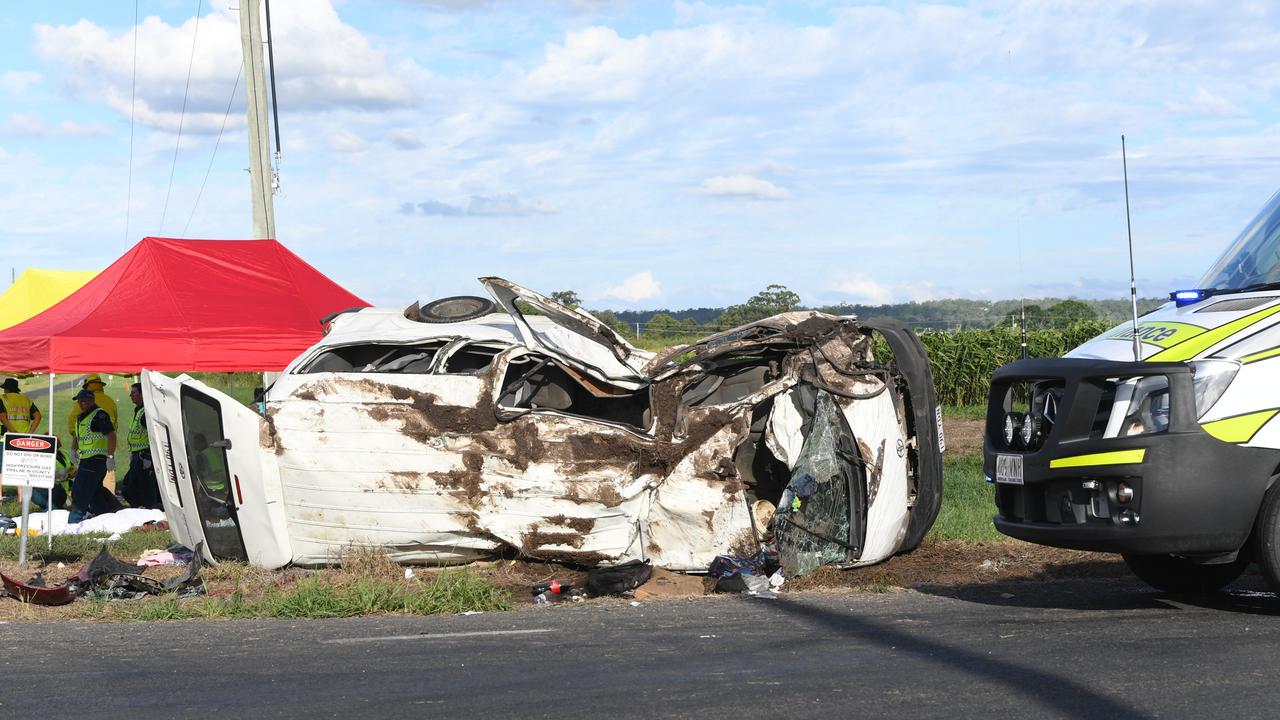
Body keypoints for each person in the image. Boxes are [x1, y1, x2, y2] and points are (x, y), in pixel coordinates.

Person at [68, 388, 116, 523]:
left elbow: (111, 435)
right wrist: (73, 450)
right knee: (95, 492)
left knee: (79, 490)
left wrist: (110, 457)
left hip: (95, 459)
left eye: (83, 401)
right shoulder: (82, 417)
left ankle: (75, 520)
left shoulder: (99, 415)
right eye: (79, 401)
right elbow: (77, 436)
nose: (80, 404)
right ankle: (104, 518)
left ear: (91, 400)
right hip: (86, 459)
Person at [121, 382, 160, 509]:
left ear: (143, 394)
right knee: (132, 484)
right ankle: (141, 508)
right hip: (137, 454)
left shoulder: (145, 413)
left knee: (146, 485)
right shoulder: (139, 411)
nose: (130, 395)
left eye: (134, 393)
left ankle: (151, 509)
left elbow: (154, 435)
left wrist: (148, 455)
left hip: (144, 456)